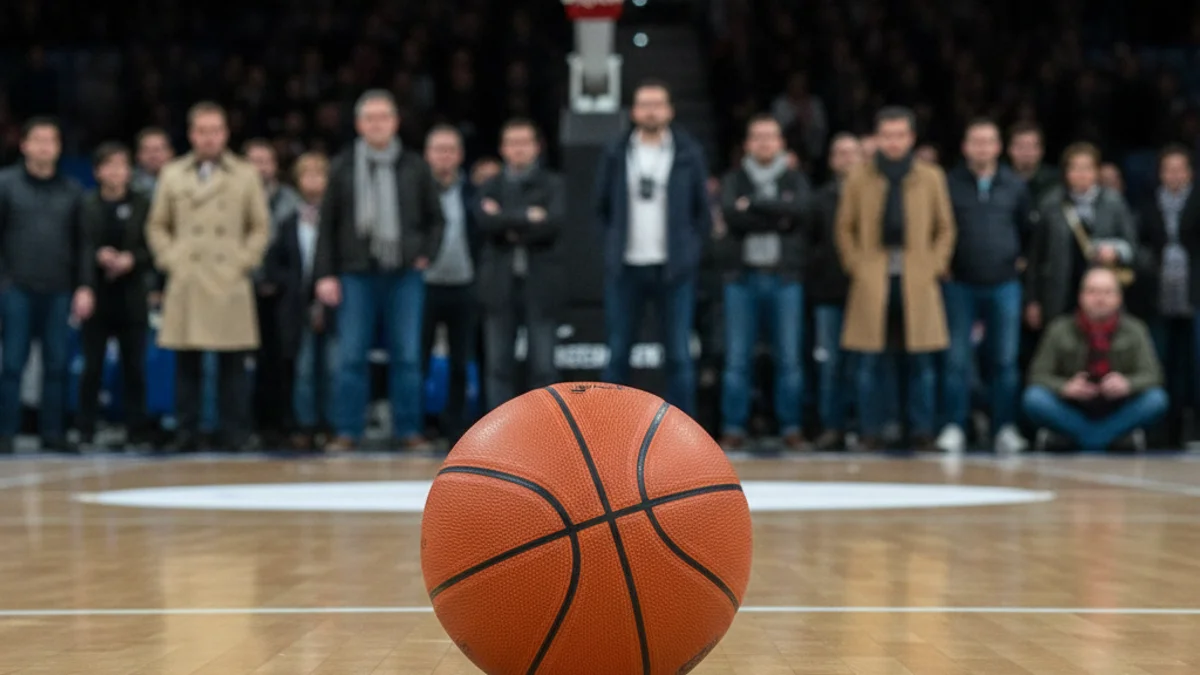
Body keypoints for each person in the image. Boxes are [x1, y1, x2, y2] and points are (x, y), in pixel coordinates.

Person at [314, 90, 445, 452]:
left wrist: (425, 255)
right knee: (351, 355)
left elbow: (436, 220)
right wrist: (324, 274)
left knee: (407, 356)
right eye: (370, 118)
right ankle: (347, 431)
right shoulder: (342, 166)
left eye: (383, 117)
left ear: (395, 122)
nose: (377, 124)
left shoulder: (414, 166)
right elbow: (328, 225)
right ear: (359, 125)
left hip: (404, 275)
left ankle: (409, 430)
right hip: (355, 274)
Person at [146, 101, 270, 453]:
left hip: (229, 278)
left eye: (215, 130)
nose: (209, 137)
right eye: (202, 131)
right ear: (191, 134)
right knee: (187, 365)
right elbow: (157, 224)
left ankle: (234, 435)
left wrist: (242, 261)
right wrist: (172, 260)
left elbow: (259, 226)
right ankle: (187, 433)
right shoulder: (172, 173)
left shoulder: (245, 173)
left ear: (225, 134)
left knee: (233, 366)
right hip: (188, 277)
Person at [835, 106, 956, 451]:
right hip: (873, 275)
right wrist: (856, 265)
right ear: (877, 138)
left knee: (921, 360)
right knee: (871, 359)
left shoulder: (930, 176)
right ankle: (871, 430)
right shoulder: (859, 176)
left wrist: (934, 265)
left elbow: (945, 228)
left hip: (917, 276)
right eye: (887, 135)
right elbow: (845, 227)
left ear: (911, 138)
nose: (893, 142)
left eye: (900, 135)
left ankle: (921, 430)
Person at [594, 79, 710, 415]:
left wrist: (688, 252)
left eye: (658, 103)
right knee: (618, 353)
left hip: (673, 269)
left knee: (677, 354)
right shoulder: (616, 152)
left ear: (670, 110)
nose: (651, 110)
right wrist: (612, 247)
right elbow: (600, 208)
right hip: (626, 268)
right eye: (644, 104)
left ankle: (682, 435)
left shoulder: (688, 152)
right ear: (633, 111)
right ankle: (606, 428)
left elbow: (701, 211)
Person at [937, 119, 1033, 454]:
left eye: (988, 141)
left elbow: (1026, 230)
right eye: (975, 141)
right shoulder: (949, 183)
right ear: (965, 147)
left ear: (998, 147)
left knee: (1004, 360)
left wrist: (1019, 260)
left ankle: (1004, 427)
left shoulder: (1014, 184)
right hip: (959, 284)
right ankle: (955, 425)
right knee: (956, 361)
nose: (981, 148)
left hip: (1004, 284)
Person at [717, 114, 811, 450]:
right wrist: (777, 213)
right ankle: (734, 426)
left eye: (770, 137)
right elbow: (731, 214)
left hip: (784, 278)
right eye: (757, 137)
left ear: (781, 143)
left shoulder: (794, 178)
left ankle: (791, 427)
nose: (764, 143)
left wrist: (753, 205)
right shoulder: (734, 178)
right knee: (737, 360)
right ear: (747, 144)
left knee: (789, 360)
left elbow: (801, 212)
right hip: (742, 279)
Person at [0, 118, 93, 454]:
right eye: (37, 140)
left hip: (59, 289)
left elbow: (83, 243)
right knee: (11, 364)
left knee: (57, 365)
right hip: (16, 289)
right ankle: (5, 434)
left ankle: (52, 433)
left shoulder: (71, 190)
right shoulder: (6, 185)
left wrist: (84, 286)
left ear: (59, 147)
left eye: (50, 140)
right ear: (23, 144)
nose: (44, 147)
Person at [1023, 267, 1167, 453]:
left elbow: (1153, 375)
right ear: (1081, 296)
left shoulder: (1135, 329)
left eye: (1107, 292)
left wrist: (1127, 384)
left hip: (1117, 408)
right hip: (1073, 408)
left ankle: (1088, 439)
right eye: (1093, 292)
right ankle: (1103, 439)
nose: (1100, 299)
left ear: (1119, 297)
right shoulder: (1059, 329)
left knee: (1156, 400)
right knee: (1034, 399)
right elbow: (1037, 375)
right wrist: (1065, 387)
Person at [476, 119, 565, 412]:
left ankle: (546, 432)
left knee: (543, 366)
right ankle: (497, 439)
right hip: (498, 287)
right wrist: (528, 216)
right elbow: (484, 222)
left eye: (525, 142)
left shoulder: (553, 183)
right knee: (498, 365)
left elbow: (552, 224)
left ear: (537, 147)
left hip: (540, 286)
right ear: (502, 148)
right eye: (512, 142)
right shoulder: (489, 186)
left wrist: (505, 219)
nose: (519, 149)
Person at [76, 142, 152, 449]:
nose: (117, 172)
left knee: (135, 367)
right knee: (91, 367)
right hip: (98, 295)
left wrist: (132, 259)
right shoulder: (87, 204)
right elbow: (80, 246)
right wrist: (97, 257)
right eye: (109, 166)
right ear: (97, 172)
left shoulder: (143, 204)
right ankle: (85, 429)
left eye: (122, 165)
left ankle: (137, 430)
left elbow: (153, 245)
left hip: (132, 295)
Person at [1026, 142, 1138, 329]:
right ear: (1065, 172)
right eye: (1075, 168)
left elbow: (1132, 246)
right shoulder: (1050, 203)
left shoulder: (1113, 202)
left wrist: (1116, 251)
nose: (1081, 174)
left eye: (1087, 168)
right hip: (1060, 291)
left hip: (1101, 291)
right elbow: (1036, 255)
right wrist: (1032, 300)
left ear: (1097, 171)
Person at [266, 152, 335, 450]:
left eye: (319, 174)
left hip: (333, 303)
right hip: (297, 306)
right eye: (307, 175)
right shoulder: (288, 222)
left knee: (333, 367)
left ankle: (331, 425)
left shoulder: (336, 221)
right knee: (304, 369)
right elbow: (274, 264)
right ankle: (304, 425)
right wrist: (292, 286)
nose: (313, 181)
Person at [1136, 145, 1199, 445]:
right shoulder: (1148, 204)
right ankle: (1163, 431)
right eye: (1168, 169)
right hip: (1158, 295)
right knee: (1161, 362)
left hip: (1194, 292)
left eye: (1180, 169)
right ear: (1160, 174)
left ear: (1190, 172)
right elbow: (1140, 244)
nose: (1174, 175)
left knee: (1194, 363)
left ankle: (1194, 428)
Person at [422, 125, 479, 442]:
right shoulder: (416, 190)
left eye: (450, 149)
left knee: (461, 361)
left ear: (459, 155)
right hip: (424, 284)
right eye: (438, 149)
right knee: (417, 360)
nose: (444, 156)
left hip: (464, 284)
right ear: (427, 155)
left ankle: (456, 425)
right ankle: (420, 424)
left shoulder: (473, 191)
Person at [244, 138, 303, 445]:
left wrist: (277, 280)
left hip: (283, 294)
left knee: (283, 359)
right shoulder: (235, 197)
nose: (259, 167)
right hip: (244, 289)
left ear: (275, 166)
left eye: (265, 160)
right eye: (253, 160)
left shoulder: (290, 200)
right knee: (248, 362)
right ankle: (251, 424)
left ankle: (282, 423)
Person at [808, 133, 862, 450]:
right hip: (828, 294)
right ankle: (832, 426)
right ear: (831, 160)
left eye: (852, 152)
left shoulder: (875, 196)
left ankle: (861, 426)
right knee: (829, 366)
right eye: (840, 153)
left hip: (864, 295)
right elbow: (810, 244)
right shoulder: (820, 199)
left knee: (862, 366)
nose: (846, 159)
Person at [1007, 122, 1057, 204]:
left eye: (1031, 146)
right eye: (1020, 146)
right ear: (1010, 149)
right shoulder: (998, 182)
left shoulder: (1054, 182)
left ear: (1041, 150)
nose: (1026, 152)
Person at [132, 127, 175, 196]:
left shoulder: (184, 178)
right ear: (138, 155)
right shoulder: (128, 182)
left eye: (157, 150)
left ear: (170, 153)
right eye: (147, 150)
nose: (153, 156)